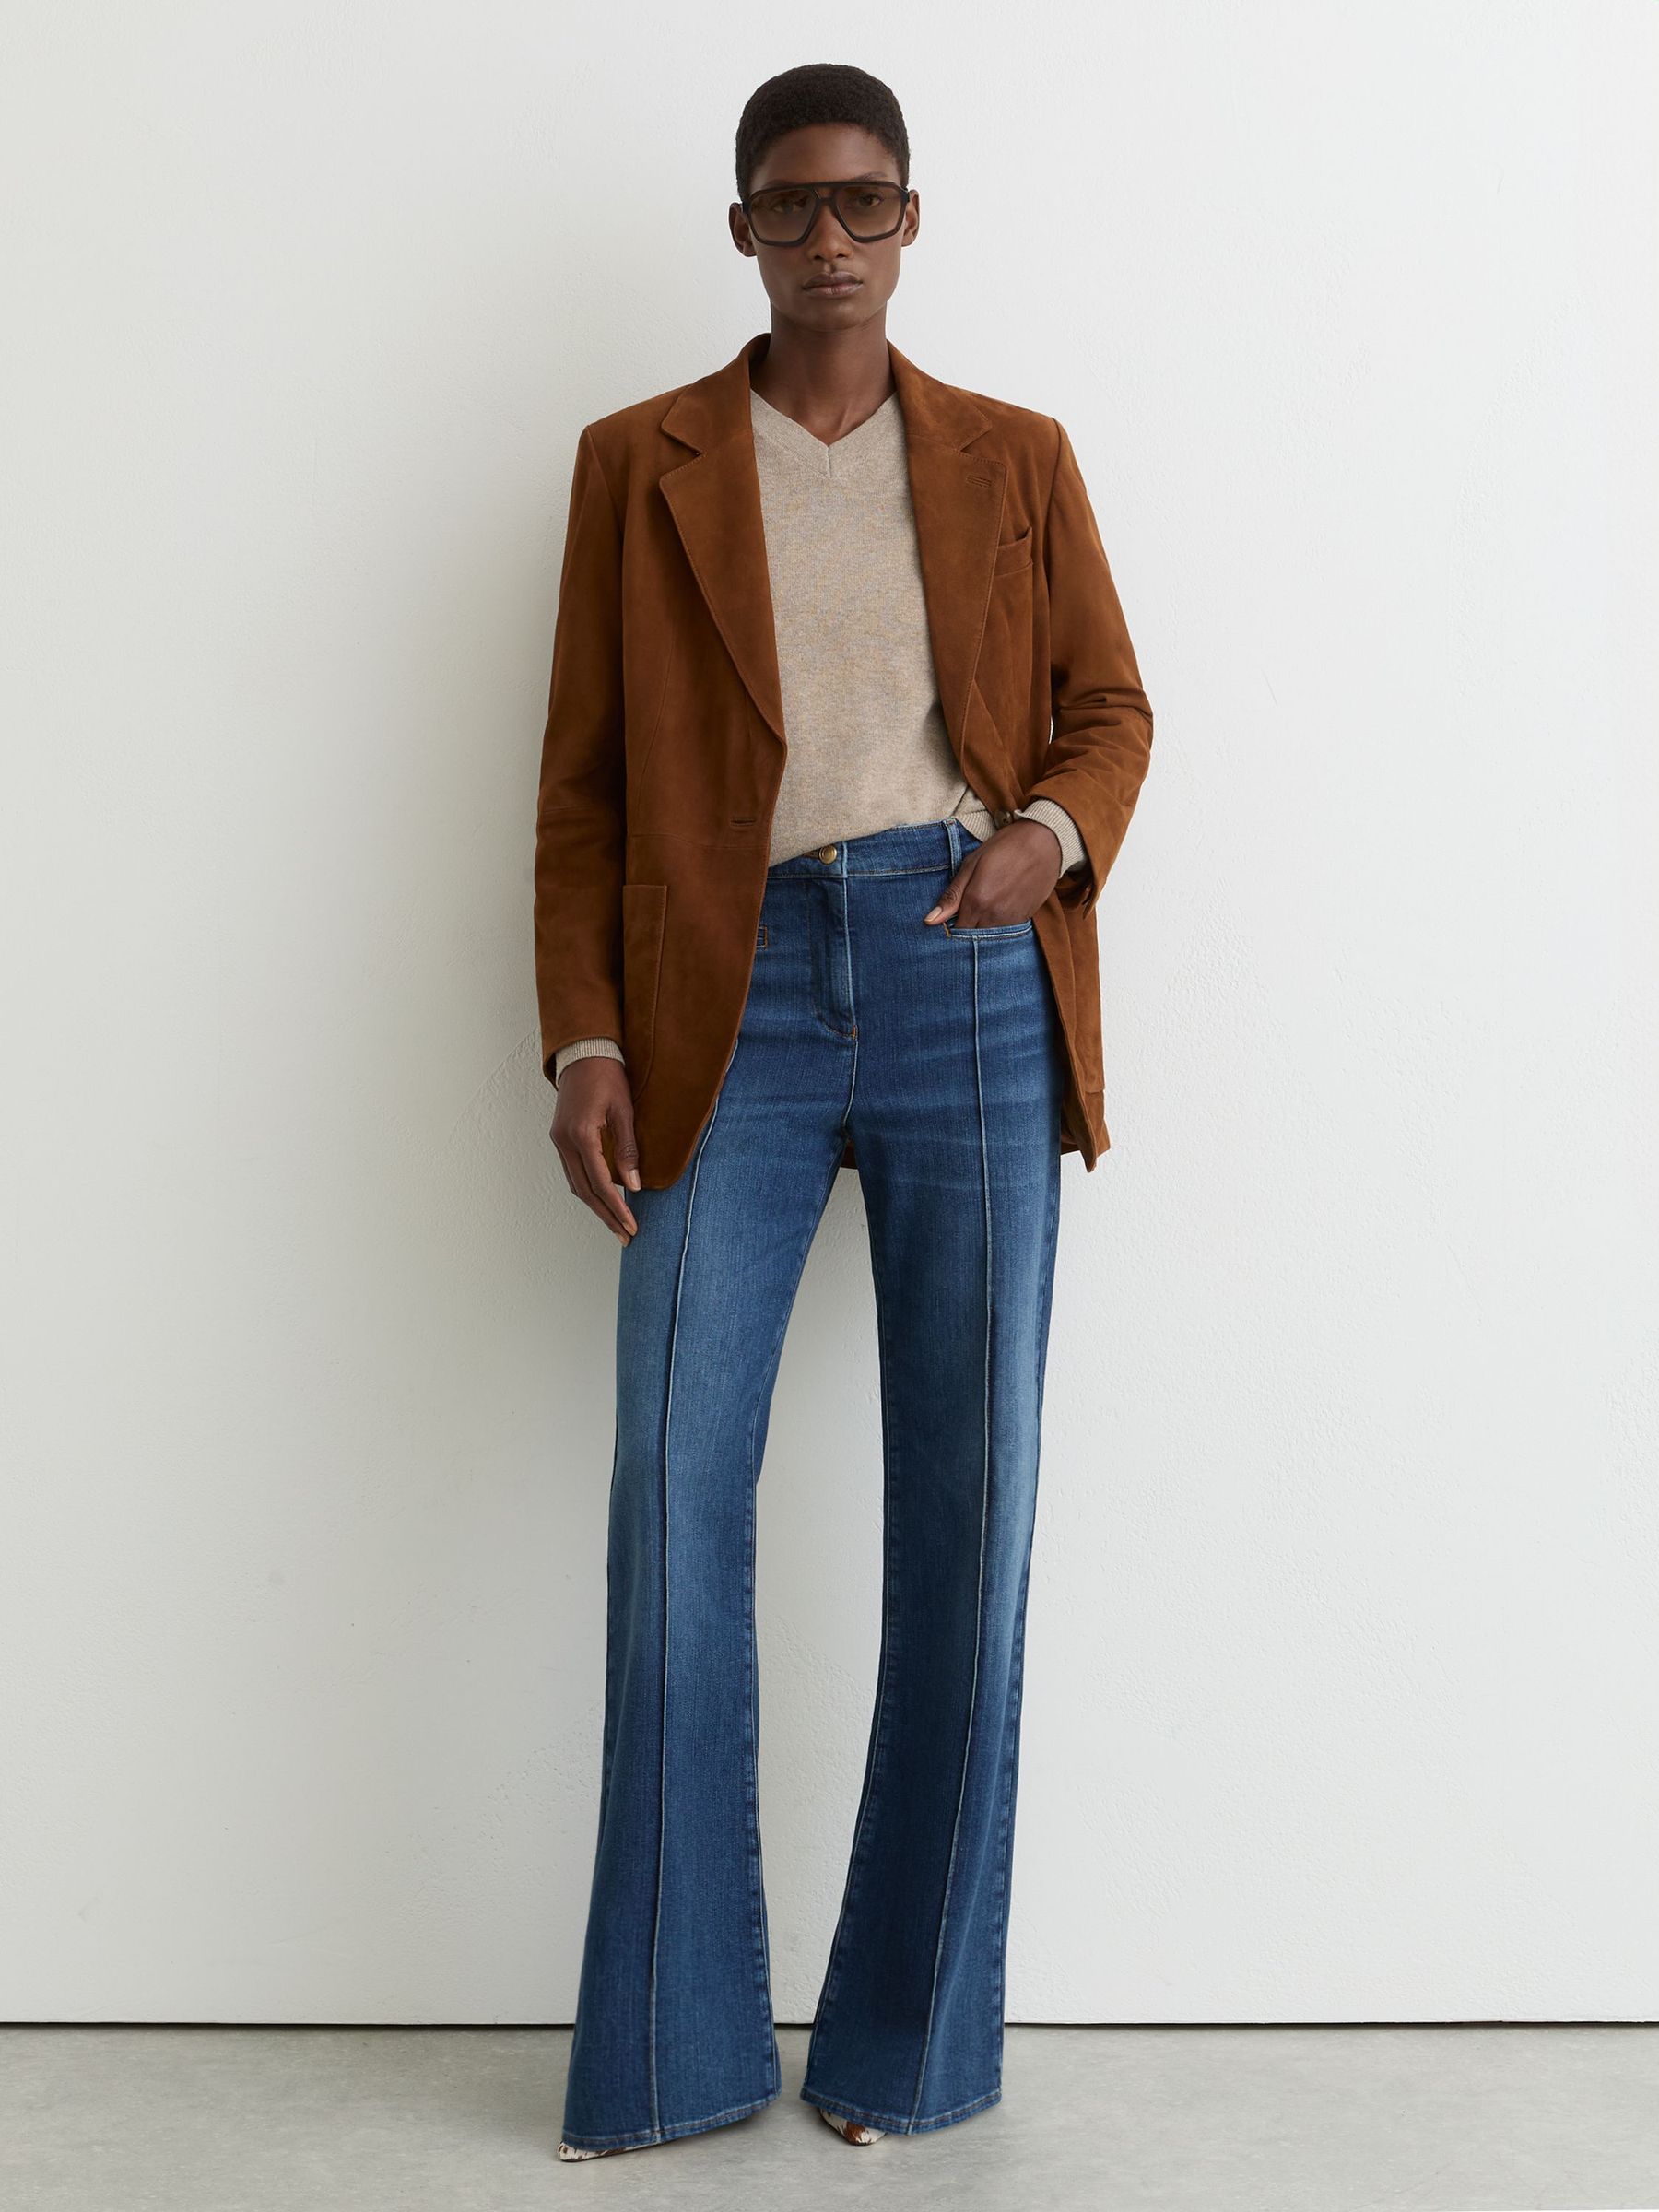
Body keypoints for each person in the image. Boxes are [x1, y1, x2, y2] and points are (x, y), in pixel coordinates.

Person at [535, 62, 1154, 2159]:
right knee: (672, 1493)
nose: (830, 239)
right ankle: (671, 2052)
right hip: (726, 999)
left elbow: (1109, 705)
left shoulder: (1013, 458)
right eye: (793, 205)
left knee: (972, 1503)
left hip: (969, 968)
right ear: (742, 229)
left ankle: (911, 2048)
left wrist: (1051, 837)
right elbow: (583, 788)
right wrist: (583, 1037)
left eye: (866, 202)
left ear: (909, 220)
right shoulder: (639, 464)